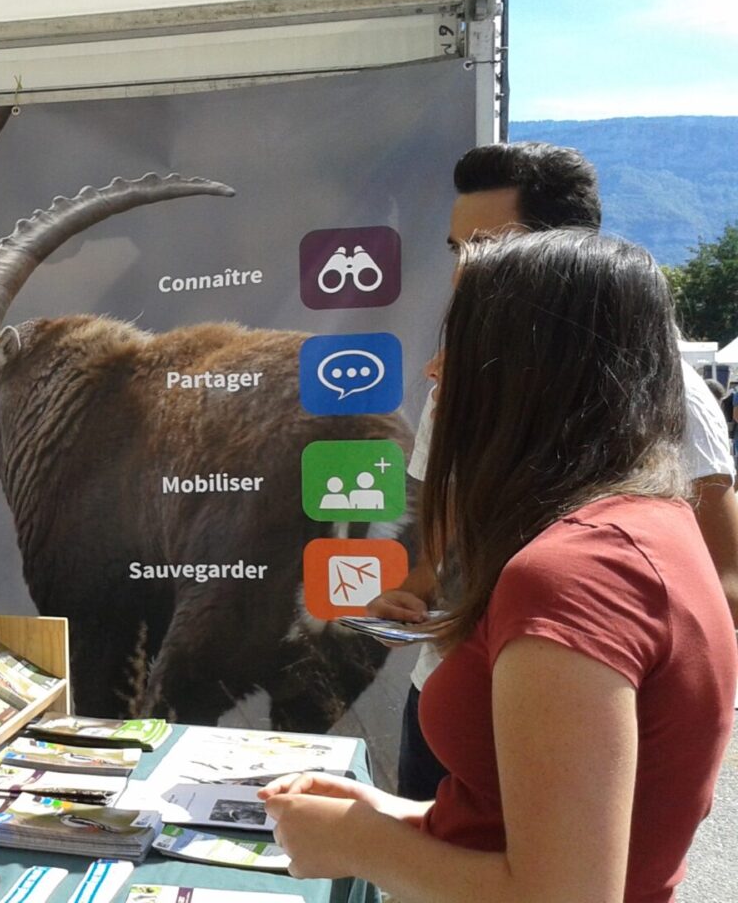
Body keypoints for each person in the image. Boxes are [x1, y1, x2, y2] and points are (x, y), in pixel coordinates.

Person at [262, 229, 737, 902]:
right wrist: (390, 817)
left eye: (460, 342)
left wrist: (359, 844)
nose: (433, 370)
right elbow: (538, 829)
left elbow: (563, 894)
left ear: (525, 370)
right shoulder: (643, 525)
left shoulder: (575, 575)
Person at [371, 141, 738, 801]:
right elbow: (448, 534)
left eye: (485, 246)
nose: (461, 274)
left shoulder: (666, 392)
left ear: (565, 256)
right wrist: (420, 593)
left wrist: (595, 673)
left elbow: (723, 585)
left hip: (577, 728)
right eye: (457, 249)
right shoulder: (458, 380)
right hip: (445, 701)